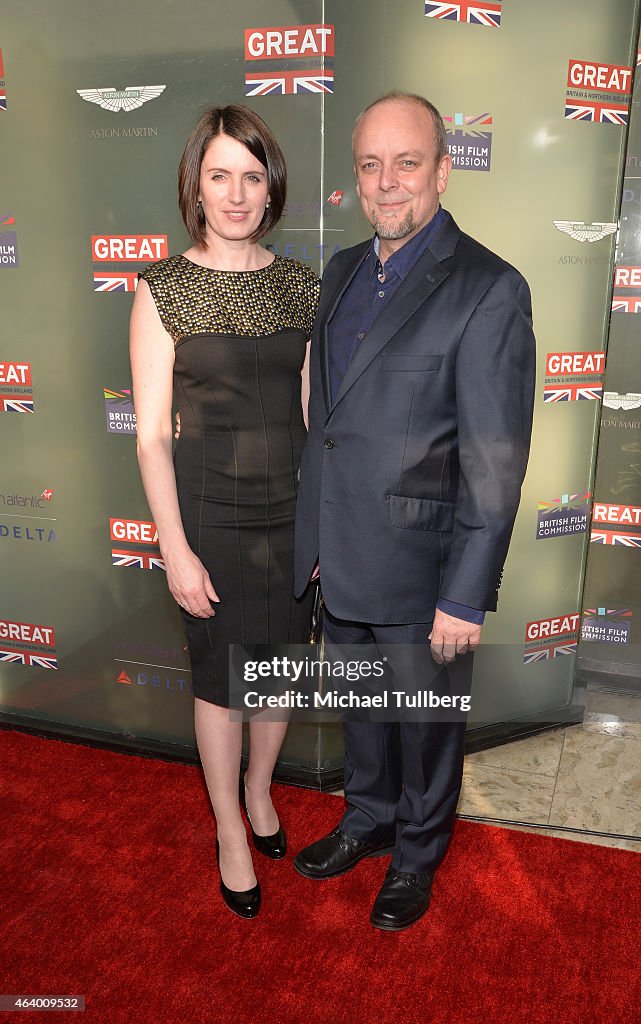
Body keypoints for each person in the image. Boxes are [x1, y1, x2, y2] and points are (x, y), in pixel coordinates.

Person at [293, 92, 536, 931]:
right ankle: (367, 818)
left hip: (425, 564)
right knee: (362, 707)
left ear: (442, 168)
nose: (386, 183)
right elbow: (330, 419)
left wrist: (464, 593)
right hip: (344, 548)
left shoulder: (488, 287)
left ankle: (418, 852)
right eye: (369, 164)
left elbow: (494, 460)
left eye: (405, 162)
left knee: (425, 728)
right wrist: (314, 535)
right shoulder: (342, 269)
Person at [129, 105, 319, 919]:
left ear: (269, 185)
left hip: (293, 515)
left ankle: (259, 790)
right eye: (219, 176)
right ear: (195, 187)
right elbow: (147, 438)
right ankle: (229, 831)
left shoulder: (304, 283)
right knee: (220, 682)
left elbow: (315, 414)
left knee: (275, 675)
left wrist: (322, 529)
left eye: (250, 176)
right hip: (207, 518)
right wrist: (173, 547)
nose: (236, 194)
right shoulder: (162, 288)